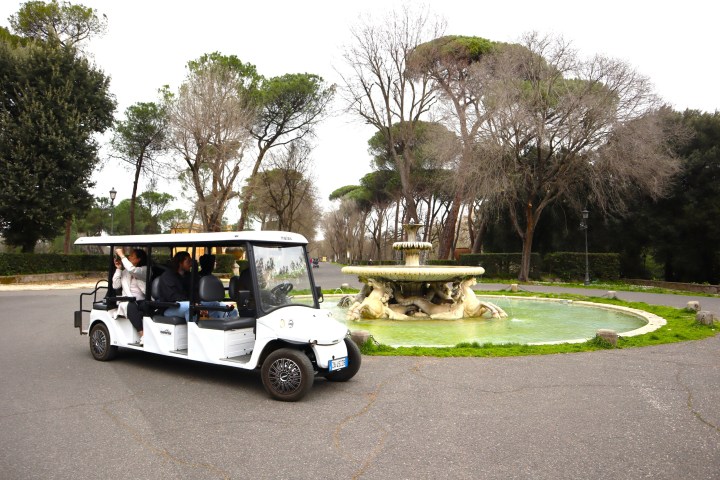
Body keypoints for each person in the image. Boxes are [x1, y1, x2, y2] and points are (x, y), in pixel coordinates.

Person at [112, 248, 148, 342]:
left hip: (141, 300)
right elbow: (116, 286)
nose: (129, 257)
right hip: (128, 301)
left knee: (148, 305)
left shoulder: (145, 270)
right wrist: (119, 269)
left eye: (132, 256)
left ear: (138, 259)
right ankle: (142, 334)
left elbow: (133, 270)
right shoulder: (125, 272)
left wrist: (122, 255)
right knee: (131, 306)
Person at [157, 251, 193, 321]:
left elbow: (194, 290)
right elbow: (172, 296)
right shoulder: (167, 276)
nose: (191, 264)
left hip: (184, 304)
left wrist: (198, 302)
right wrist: (191, 302)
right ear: (180, 263)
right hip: (170, 307)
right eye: (188, 262)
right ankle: (192, 331)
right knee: (190, 307)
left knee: (217, 305)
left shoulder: (188, 276)